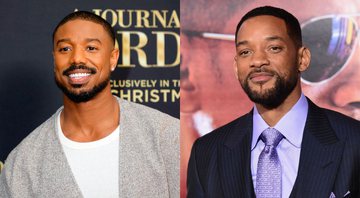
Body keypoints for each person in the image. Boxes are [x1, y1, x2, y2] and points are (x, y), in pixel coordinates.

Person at [180, 0, 360, 197]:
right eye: (245, 52)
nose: (258, 61)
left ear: (302, 59)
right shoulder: (207, 153)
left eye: (274, 48)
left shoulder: (354, 142)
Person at [0, 11, 179, 197]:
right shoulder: (22, 163)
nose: (77, 58)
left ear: (113, 58)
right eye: (65, 49)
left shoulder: (167, 136)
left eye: (91, 48)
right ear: (54, 59)